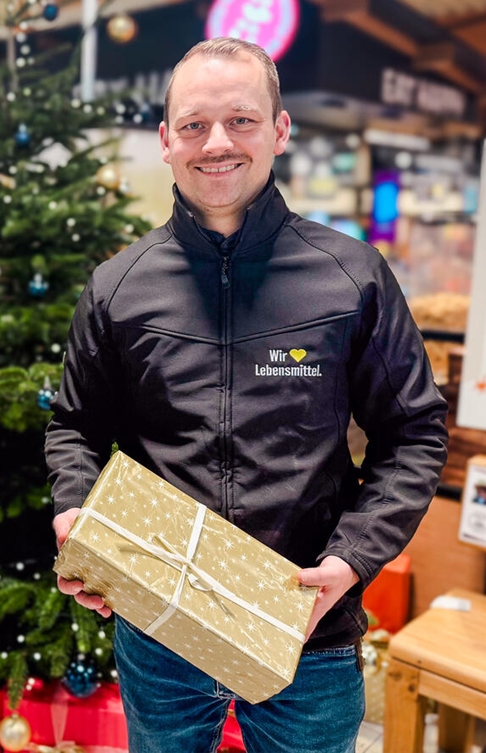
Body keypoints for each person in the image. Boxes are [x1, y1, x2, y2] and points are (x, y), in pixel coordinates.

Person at [45, 38, 447, 753]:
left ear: (280, 130)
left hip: (307, 628)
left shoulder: (349, 275)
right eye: (194, 125)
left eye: (241, 120)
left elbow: (414, 431)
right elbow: (75, 424)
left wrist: (352, 558)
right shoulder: (118, 287)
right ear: (167, 141)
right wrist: (77, 514)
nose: (217, 143)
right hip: (161, 627)